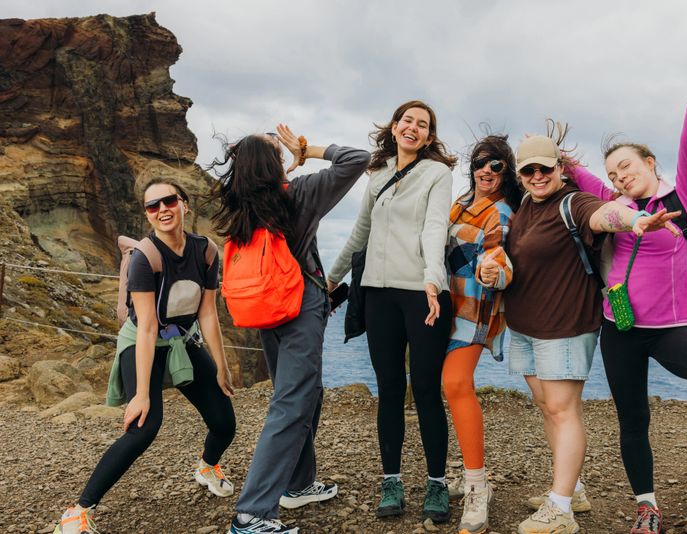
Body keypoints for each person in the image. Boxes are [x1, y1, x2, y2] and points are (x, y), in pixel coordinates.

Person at [567, 38, 687, 534]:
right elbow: (583, 178)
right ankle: (647, 507)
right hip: (619, 326)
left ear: (649, 162)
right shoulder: (616, 203)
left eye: (626, 165)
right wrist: (557, 160)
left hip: (671, 329)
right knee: (633, 420)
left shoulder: (682, 197)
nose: (619, 177)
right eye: (612, 173)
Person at [500, 126, 681, 534]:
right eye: (528, 171)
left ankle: (560, 509)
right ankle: (573, 489)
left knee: (564, 412)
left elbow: (605, 214)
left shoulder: (574, 202)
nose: (537, 177)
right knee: (549, 407)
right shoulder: (526, 204)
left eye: (544, 169)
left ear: (559, 168)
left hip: (565, 326)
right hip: (525, 326)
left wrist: (635, 220)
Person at [208, 126, 370, 534]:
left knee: (304, 392)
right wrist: (310, 150)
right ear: (272, 163)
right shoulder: (297, 194)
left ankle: (297, 485)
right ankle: (252, 513)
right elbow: (358, 159)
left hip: (265, 310)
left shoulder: (241, 206)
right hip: (299, 307)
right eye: (277, 151)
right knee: (292, 402)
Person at [54, 178, 237, 534]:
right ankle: (77, 512)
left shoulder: (207, 251)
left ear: (184, 204)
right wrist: (140, 395)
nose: (162, 210)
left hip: (183, 341)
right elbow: (149, 328)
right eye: (153, 206)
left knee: (224, 421)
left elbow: (208, 313)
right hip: (143, 341)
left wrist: (221, 367)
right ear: (148, 215)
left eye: (169, 201)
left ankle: (207, 467)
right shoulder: (145, 258)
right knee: (144, 427)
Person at [327, 100, 457, 523]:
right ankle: (392, 480)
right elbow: (360, 232)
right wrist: (330, 279)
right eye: (407, 121)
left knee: (424, 388)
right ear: (395, 127)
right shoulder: (377, 176)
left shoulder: (438, 174)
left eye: (423, 125)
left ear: (429, 136)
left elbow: (436, 227)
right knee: (388, 390)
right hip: (378, 294)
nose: (413, 128)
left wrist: (433, 280)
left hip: (422, 292)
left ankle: (437, 484)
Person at [441, 134, 521, 534]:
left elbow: (499, 258)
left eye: (496, 165)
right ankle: (472, 474)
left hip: (474, 309)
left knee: (455, 384)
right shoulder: (458, 203)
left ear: (506, 172)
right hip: (442, 306)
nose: (486, 171)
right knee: (450, 389)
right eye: (480, 162)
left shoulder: (502, 211)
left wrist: (494, 272)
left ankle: (477, 486)